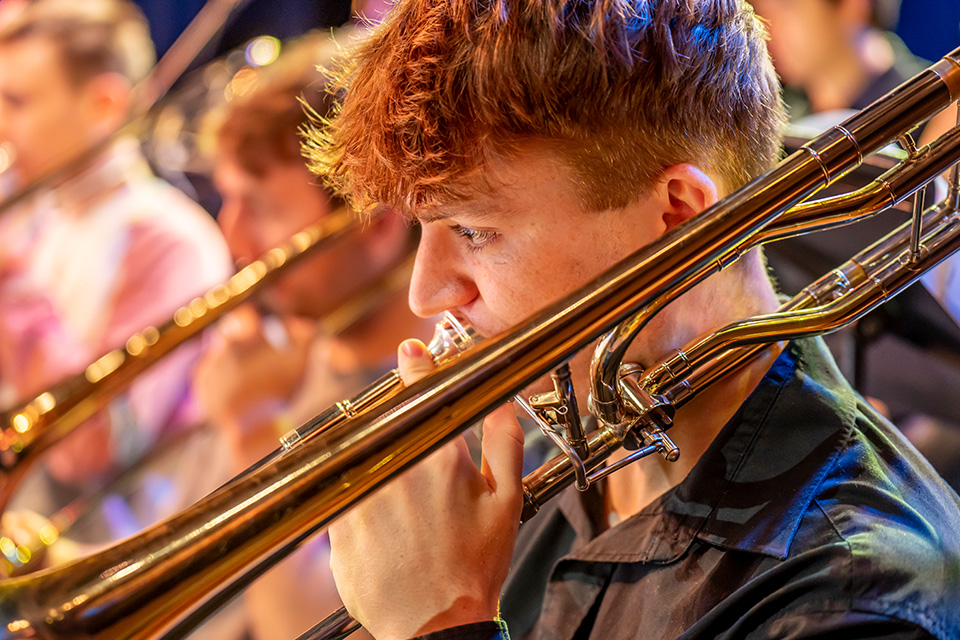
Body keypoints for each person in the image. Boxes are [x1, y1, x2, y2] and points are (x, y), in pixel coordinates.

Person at [304, 0, 960, 638]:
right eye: (426, 228)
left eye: (473, 230)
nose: (425, 294)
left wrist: (444, 626)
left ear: (678, 217)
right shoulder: (543, 441)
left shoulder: (859, 600)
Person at [193, 39, 435, 640]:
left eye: (259, 206)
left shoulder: (422, 401)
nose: (231, 235)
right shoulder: (281, 350)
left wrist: (251, 428)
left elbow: (300, 628)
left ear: (374, 225)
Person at [0, 0, 231, 545]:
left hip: (79, 556)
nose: (2, 125)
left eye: (17, 101)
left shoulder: (169, 241)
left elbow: (88, 453)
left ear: (103, 104)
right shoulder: (35, 209)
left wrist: (11, 282)